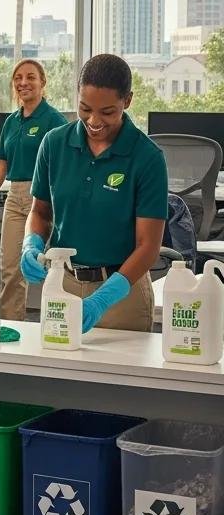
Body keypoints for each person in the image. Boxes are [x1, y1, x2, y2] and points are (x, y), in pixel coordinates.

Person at [20, 53, 168, 332]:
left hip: (121, 292)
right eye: (85, 108)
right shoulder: (54, 144)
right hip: (62, 284)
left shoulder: (146, 157)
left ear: (128, 101)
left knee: (118, 376)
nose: (94, 120)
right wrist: (31, 243)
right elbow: (40, 212)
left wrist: (104, 298)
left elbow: (148, 247)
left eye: (107, 112)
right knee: (55, 373)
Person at [0, 60, 68, 319]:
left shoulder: (54, 120)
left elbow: (62, 166)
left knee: (54, 267)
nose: (23, 83)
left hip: (47, 199)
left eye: (31, 77)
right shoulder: (11, 122)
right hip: (15, 197)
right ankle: (13, 327)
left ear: (43, 82)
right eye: (18, 78)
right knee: (11, 268)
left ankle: (58, 324)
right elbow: (2, 165)